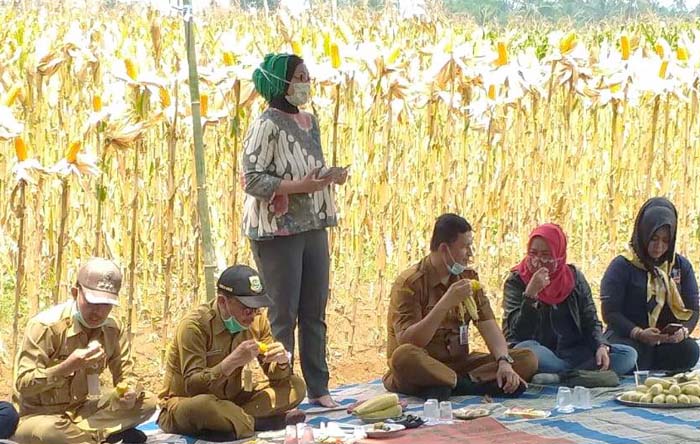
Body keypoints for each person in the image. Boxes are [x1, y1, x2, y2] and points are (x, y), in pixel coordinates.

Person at [242, 53, 347, 407]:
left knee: (314, 310)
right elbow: (253, 179)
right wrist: (298, 187)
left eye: (307, 76)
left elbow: (306, 167)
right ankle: (282, 390)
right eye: (299, 76)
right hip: (278, 230)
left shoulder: (310, 121)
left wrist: (328, 177)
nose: (306, 83)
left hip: (314, 223)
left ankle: (319, 387)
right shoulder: (265, 124)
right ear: (282, 83)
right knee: (282, 315)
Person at [383, 213, 538, 401]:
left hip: (459, 365)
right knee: (403, 356)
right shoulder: (410, 283)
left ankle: (449, 385)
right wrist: (445, 303)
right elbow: (412, 341)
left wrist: (504, 362)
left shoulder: (467, 277)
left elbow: (488, 326)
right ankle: (469, 386)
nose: (470, 254)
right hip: (423, 364)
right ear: (444, 249)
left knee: (527, 359)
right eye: (465, 247)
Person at [13, 258, 156, 444]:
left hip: (83, 412)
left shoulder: (112, 329)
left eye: (106, 305)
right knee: (52, 432)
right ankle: (104, 435)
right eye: (92, 303)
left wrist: (130, 392)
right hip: (39, 416)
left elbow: (127, 374)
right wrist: (66, 367)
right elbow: (23, 384)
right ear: (75, 293)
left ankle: (91, 437)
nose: (98, 312)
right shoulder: (45, 327)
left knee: (148, 402)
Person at [157, 265, 306, 442]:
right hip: (188, 404)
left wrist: (281, 362)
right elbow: (192, 386)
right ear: (222, 302)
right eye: (247, 309)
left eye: (257, 309)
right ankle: (258, 422)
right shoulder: (194, 326)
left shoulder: (257, 321)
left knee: (296, 386)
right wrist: (230, 363)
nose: (252, 316)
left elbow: (276, 377)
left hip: (233, 400)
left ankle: (233, 422)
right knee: (205, 406)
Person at [503, 224, 638, 384]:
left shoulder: (574, 278)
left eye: (546, 255)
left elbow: (591, 319)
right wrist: (530, 296)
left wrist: (601, 345)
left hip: (576, 353)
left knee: (628, 354)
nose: (538, 261)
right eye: (533, 253)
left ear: (559, 255)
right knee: (528, 351)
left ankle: (560, 377)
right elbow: (517, 334)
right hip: (543, 353)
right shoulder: (516, 281)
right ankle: (586, 377)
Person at [601, 197, 699, 371]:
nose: (659, 246)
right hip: (629, 337)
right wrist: (638, 333)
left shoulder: (679, 266)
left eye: (665, 241)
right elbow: (611, 313)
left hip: (663, 342)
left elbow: (693, 309)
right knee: (628, 355)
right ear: (643, 233)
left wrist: (682, 332)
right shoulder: (623, 265)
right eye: (654, 238)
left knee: (690, 351)